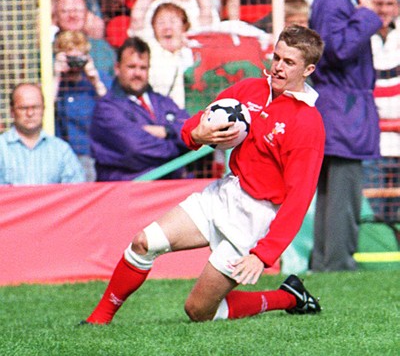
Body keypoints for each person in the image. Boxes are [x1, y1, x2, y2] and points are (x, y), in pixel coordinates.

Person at [81, 25, 325, 325]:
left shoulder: (308, 124)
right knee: (143, 242)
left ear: (308, 69)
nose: (277, 67)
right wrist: (196, 132)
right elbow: (195, 125)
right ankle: (97, 321)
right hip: (224, 193)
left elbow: (299, 198)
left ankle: (288, 297)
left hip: (255, 217)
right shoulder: (250, 89)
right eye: (276, 57)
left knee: (198, 311)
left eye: (289, 62)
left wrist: (263, 254)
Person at [309, 0, 383, 272]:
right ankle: (338, 262)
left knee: (332, 193)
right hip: (344, 111)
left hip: (339, 108)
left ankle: (325, 261)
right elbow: (337, 48)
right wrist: (366, 12)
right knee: (343, 194)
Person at [90, 36, 191, 181]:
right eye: (131, 67)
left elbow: (192, 130)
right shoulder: (106, 109)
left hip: (170, 191)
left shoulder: (164, 102)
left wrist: (167, 131)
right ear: (117, 68)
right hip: (128, 195)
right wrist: (180, 149)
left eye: (143, 67)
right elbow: (135, 149)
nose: (137, 73)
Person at [53, 30, 113, 182]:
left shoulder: (100, 79)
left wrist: (95, 80)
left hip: (93, 152)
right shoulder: (54, 82)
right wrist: (56, 76)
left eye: (78, 57)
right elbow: (44, 107)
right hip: (63, 154)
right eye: (69, 57)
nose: (74, 64)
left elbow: (114, 110)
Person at [0, 83, 85, 185]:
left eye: (35, 107)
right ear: (12, 111)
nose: (30, 113)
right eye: (23, 108)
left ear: (43, 109)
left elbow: (78, 191)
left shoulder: (61, 150)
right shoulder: (2, 147)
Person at [363, 0, 400, 223]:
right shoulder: (360, 35)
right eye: (379, 3)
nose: (384, 9)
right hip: (371, 144)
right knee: (372, 217)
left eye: (389, 3)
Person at [54, 0, 116, 76]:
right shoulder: (47, 51)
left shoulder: (103, 50)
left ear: (86, 14)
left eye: (78, 10)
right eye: (65, 11)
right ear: (56, 16)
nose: (72, 15)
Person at [147, 2, 194, 109]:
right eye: (161, 22)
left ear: (184, 26)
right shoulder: (147, 52)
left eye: (173, 21)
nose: (167, 27)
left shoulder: (191, 52)